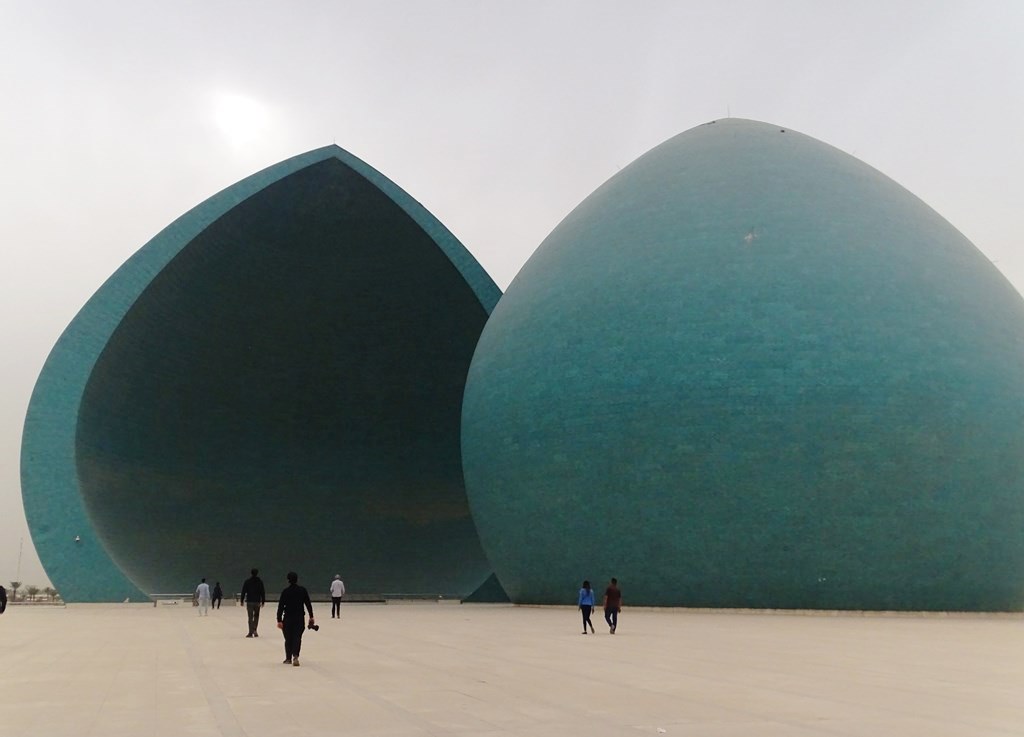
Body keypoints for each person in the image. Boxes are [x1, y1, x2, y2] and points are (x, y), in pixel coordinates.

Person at [276, 571, 314, 666]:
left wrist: (279, 620)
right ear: (297, 580)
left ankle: (288, 658)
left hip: (288, 618)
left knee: (288, 638)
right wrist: (311, 616)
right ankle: (295, 656)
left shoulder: (285, 592)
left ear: (288, 580)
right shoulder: (302, 590)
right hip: (299, 618)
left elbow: (280, 607)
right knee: (297, 637)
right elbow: (308, 604)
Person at [240, 568, 266, 637]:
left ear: (251, 573)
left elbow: (243, 591)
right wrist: (263, 601)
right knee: (256, 616)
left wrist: (242, 600)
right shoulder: (260, 582)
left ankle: (250, 632)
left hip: (250, 601)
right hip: (257, 601)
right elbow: (262, 592)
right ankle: (255, 629)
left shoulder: (247, 581)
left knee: (250, 617)